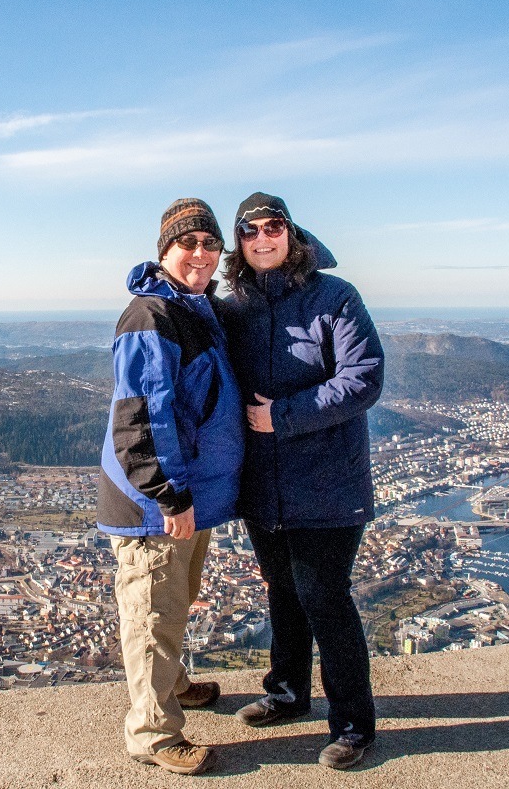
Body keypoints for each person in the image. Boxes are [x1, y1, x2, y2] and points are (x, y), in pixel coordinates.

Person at [217, 192, 384, 770]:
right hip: (265, 485)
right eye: (250, 230)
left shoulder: (334, 297)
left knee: (325, 598)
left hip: (329, 483)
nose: (263, 239)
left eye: (273, 228)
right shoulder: (234, 305)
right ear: (238, 242)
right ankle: (288, 693)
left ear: (291, 233)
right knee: (282, 590)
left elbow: (364, 378)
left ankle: (353, 725)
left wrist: (279, 415)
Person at [96, 198, 244, 776]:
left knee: (174, 599)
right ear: (165, 252)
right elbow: (140, 416)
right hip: (158, 501)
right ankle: (153, 735)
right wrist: (168, 494)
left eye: (211, 244)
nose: (202, 255)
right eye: (190, 244)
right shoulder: (152, 315)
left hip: (190, 493)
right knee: (152, 613)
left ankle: (175, 685)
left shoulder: (194, 308)